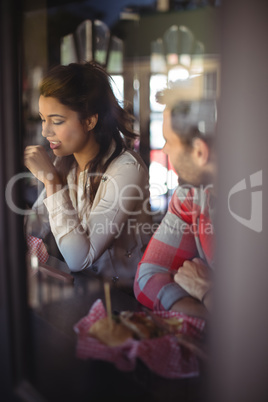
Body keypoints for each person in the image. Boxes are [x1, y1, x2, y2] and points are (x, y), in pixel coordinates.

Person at [24, 61, 152, 289]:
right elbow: (35, 224)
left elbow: (79, 258)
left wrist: (52, 182)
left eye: (57, 121)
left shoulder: (127, 169)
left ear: (90, 120)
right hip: (85, 290)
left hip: (125, 301)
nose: (45, 131)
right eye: (44, 119)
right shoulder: (68, 161)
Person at [134, 87, 217, 317]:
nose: (164, 149)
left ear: (199, 152)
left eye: (169, 140)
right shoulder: (189, 197)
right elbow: (148, 277)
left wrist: (207, 291)